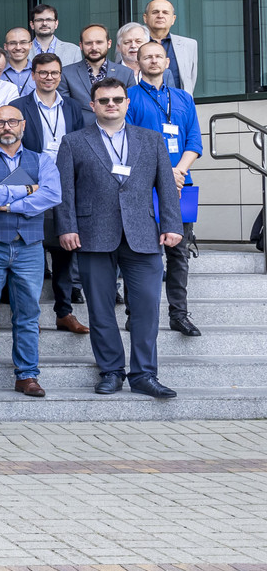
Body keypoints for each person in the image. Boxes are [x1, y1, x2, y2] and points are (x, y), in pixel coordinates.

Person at [58, 77, 183, 399]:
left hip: (143, 234)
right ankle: (111, 371)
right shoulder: (73, 142)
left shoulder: (151, 139)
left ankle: (144, 374)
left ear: (127, 103)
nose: (110, 105)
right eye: (104, 100)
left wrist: (173, 225)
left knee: (146, 310)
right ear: (93, 105)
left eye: (117, 99)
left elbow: (166, 187)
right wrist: (67, 227)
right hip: (93, 235)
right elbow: (65, 191)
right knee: (100, 310)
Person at [0, 104, 61, 399]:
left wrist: (8, 205)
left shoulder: (42, 160)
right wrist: (29, 189)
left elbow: (52, 194)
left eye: (12, 121)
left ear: (22, 125)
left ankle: (27, 375)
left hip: (29, 247)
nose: (6, 127)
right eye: (0, 123)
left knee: (28, 314)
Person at [126, 40, 204, 337]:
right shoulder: (129, 97)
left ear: (167, 62)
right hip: (142, 186)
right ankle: (136, 314)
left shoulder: (183, 98)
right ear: (138, 62)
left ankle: (179, 314)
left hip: (180, 184)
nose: (154, 61)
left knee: (179, 253)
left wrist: (178, 171)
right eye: (147, 57)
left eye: (159, 56)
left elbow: (194, 140)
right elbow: (127, 142)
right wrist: (163, 173)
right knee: (141, 255)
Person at [14, 52, 89, 335]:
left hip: (66, 185)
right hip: (32, 186)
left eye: (54, 73)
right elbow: (13, 147)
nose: (49, 77)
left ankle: (64, 312)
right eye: (43, 72)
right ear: (33, 75)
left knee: (65, 250)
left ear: (60, 75)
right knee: (30, 253)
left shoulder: (72, 106)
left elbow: (80, 143)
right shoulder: (18, 107)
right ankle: (28, 315)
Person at [62, 24, 135, 112]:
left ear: (109, 44)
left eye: (99, 42)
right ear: (81, 45)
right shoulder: (66, 74)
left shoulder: (126, 73)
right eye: (88, 43)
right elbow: (66, 110)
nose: (94, 47)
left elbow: (131, 108)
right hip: (80, 121)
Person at [142, 0, 198, 92]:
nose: (160, 16)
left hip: (179, 100)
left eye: (165, 12)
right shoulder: (134, 45)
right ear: (145, 18)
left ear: (173, 19)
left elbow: (190, 80)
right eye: (155, 12)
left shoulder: (189, 45)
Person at [0, 29, 36, 98]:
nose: (18, 48)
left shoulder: (38, 72)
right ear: (5, 46)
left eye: (23, 42)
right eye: (12, 43)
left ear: (30, 45)